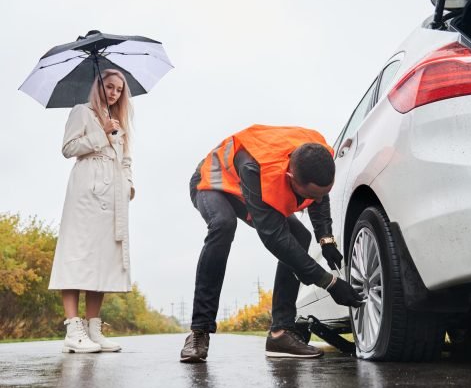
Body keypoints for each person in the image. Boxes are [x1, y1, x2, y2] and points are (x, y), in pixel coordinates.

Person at [180, 125, 363, 363]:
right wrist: (329, 282)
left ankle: (280, 333)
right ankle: (198, 332)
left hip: (250, 182)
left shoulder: (317, 154)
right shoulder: (255, 168)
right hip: (213, 181)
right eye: (311, 195)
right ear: (290, 178)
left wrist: (326, 239)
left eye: (322, 194)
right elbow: (274, 238)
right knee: (223, 225)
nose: (316, 201)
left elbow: (319, 196)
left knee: (300, 237)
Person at [49, 69, 135, 353]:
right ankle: (73, 330)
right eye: (109, 86)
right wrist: (102, 136)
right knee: (78, 254)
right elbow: (68, 147)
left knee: (102, 258)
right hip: (86, 191)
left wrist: (129, 186)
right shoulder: (81, 112)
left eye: (119, 89)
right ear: (99, 86)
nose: (113, 93)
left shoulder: (119, 121)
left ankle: (93, 328)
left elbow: (125, 159)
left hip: (113, 196)